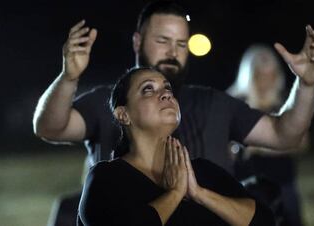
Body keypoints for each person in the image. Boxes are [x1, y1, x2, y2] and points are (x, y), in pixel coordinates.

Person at [33, 0, 314, 223]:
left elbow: (284, 134)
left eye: (181, 43)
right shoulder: (104, 121)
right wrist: (68, 77)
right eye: (162, 41)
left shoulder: (214, 110)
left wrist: (307, 84)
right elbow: (49, 127)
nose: (173, 51)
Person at [78, 67, 275, 226]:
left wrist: (199, 194)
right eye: (148, 89)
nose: (165, 94)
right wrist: (174, 195)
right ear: (123, 114)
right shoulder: (106, 178)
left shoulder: (202, 172)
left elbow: (264, 221)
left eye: (167, 88)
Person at [227, 44, 307, 226]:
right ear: (249, 75)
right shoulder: (235, 103)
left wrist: (259, 147)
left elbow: (302, 142)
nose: (266, 81)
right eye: (260, 75)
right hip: (245, 184)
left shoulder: (286, 102)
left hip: (282, 182)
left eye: (270, 74)